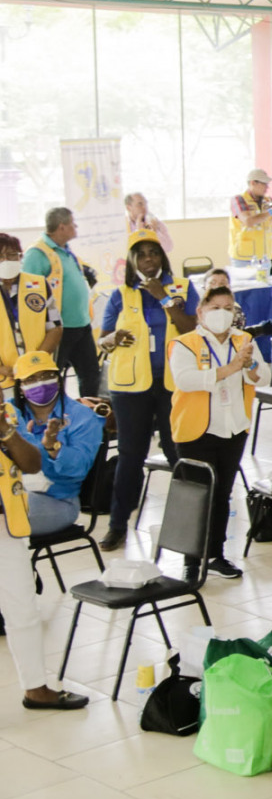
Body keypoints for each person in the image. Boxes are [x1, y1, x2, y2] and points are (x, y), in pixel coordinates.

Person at [98, 230, 194, 549]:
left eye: (153, 252)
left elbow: (192, 328)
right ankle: (117, 525)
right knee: (130, 455)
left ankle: (191, 521)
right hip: (130, 387)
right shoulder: (120, 295)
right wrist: (113, 338)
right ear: (132, 261)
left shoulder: (182, 287)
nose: (148, 259)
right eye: (141, 254)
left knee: (177, 450)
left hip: (173, 382)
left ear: (162, 256)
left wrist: (162, 297)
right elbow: (102, 339)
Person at [169, 285, 265, 577]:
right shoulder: (184, 343)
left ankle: (215, 555)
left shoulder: (244, 340)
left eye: (228, 308)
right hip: (196, 431)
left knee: (222, 493)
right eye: (215, 308)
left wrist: (250, 365)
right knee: (197, 495)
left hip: (233, 427)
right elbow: (186, 380)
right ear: (200, 312)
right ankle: (191, 560)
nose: (222, 314)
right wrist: (232, 367)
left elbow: (265, 376)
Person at [0, 396, 88, 710]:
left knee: (23, 609)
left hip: (6, 527)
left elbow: (32, 464)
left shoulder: (6, 413)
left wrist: (4, 430)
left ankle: (36, 689)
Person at [8, 351, 103, 537]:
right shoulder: (10, 412)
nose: (41, 383)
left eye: (47, 376)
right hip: (15, 489)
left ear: (58, 380)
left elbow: (79, 469)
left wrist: (53, 448)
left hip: (58, 500)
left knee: (9, 517)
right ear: (20, 387)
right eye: (31, 379)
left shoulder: (82, 416)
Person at [23, 207, 100, 397]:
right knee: (53, 379)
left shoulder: (65, 250)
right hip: (59, 330)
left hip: (81, 324)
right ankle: (57, 413)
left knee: (91, 375)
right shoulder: (37, 253)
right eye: (73, 223)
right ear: (61, 227)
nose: (76, 226)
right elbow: (28, 295)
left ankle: (89, 412)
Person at [0, 232, 61, 385]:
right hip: (4, 379)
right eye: (0, 256)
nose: (5, 261)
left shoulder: (39, 284)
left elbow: (55, 327)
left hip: (39, 375)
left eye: (11, 255)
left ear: (20, 256)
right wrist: (2, 369)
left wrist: (35, 362)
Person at [227, 168, 272, 271]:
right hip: (243, 258)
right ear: (253, 183)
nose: (267, 187)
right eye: (264, 184)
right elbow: (248, 221)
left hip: (264, 258)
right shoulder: (239, 199)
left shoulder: (268, 201)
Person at [123, 192, 174, 258]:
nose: (144, 207)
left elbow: (168, 247)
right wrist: (138, 232)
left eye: (146, 203)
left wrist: (155, 232)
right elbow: (124, 249)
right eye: (140, 204)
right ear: (128, 208)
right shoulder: (122, 226)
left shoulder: (156, 223)